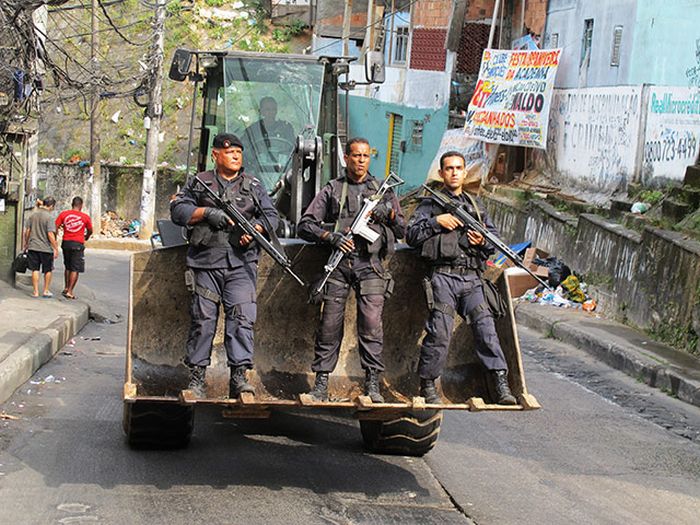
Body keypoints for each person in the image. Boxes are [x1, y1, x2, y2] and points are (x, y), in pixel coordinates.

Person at [297, 137, 406, 403]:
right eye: (355, 155)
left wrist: (388, 214)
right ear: (346, 158)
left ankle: (372, 383)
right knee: (329, 325)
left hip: (370, 266)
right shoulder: (334, 188)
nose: (360, 160)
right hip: (339, 265)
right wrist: (330, 236)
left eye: (365, 156)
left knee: (371, 325)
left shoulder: (383, 190)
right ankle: (321, 382)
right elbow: (305, 224)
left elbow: (403, 229)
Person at [170, 133, 279, 399]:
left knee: (242, 318)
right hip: (206, 263)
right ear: (216, 154)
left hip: (241, 264)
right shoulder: (200, 183)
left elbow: (272, 216)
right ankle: (197, 378)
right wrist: (206, 213)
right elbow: (178, 211)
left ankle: (239, 377)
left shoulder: (253, 185)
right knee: (203, 320)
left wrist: (255, 229)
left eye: (239, 153)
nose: (235, 156)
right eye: (230, 152)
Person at [406, 151, 517, 406]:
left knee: (486, 328)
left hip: (471, 279)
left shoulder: (475, 207)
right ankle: (428, 385)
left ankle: (500, 383)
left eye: (459, 168)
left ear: (465, 173)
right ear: (442, 173)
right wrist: (436, 222)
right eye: (449, 168)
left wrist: (482, 242)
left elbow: (493, 241)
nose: (454, 172)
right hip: (443, 277)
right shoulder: (430, 205)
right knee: (440, 333)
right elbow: (411, 235)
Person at [55, 196, 93, 299]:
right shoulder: (85, 217)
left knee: (68, 266)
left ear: (72, 204)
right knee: (75, 268)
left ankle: (66, 287)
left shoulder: (64, 214)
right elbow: (90, 230)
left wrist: (56, 236)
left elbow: (56, 226)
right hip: (77, 244)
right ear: (81, 205)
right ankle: (70, 291)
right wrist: (86, 236)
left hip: (66, 243)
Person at [23, 196, 59, 298]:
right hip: (46, 248)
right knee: (47, 270)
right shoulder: (49, 217)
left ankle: (35, 292)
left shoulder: (33, 215)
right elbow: (50, 234)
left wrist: (26, 243)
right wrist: (55, 247)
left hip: (33, 246)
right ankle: (46, 290)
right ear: (51, 206)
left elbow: (27, 231)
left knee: (35, 269)